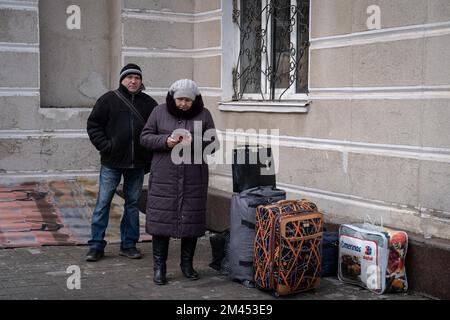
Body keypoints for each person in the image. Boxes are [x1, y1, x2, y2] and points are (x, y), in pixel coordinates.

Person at [140, 79, 219, 285]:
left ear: (195, 100)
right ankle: (160, 268)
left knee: (191, 223)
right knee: (161, 223)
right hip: (164, 177)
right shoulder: (158, 112)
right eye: (179, 99)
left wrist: (195, 142)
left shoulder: (205, 114)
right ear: (172, 97)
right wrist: (166, 141)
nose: (183, 103)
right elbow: (145, 137)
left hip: (194, 177)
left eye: (187, 100)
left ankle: (187, 265)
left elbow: (214, 144)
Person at [85, 63, 158, 262]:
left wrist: (149, 158)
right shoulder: (108, 100)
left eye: (137, 78)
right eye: (129, 77)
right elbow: (93, 125)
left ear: (141, 81)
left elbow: (156, 132)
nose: (133, 81)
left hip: (137, 165)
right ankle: (96, 246)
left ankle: (129, 245)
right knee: (103, 203)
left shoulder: (150, 104)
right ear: (122, 80)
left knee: (132, 205)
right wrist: (106, 146)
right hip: (112, 162)